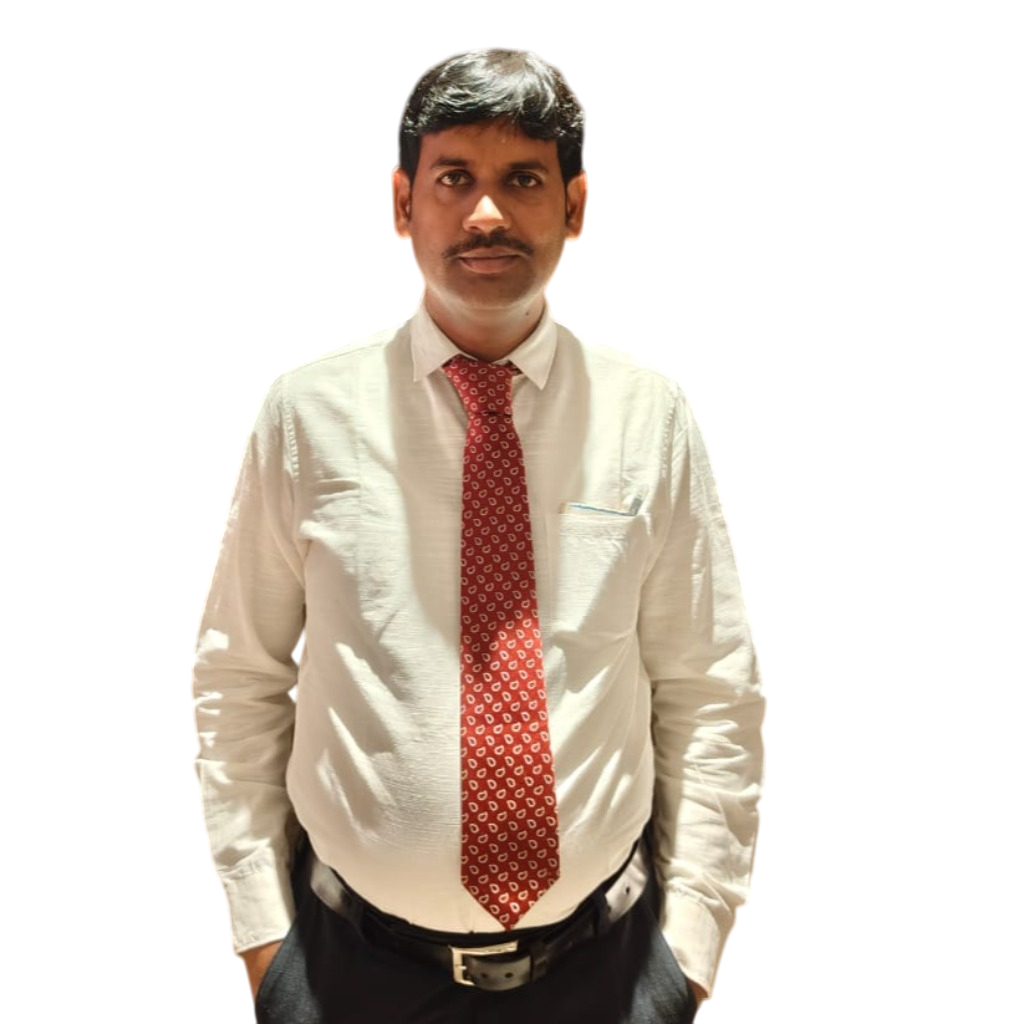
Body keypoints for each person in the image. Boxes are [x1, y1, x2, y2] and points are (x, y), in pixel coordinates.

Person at [194, 49, 764, 1024]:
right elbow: (238, 674)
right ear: (403, 202)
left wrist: (688, 957)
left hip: (608, 973)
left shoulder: (647, 416)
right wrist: (265, 946)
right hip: (343, 975)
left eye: (524, 180)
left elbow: (708, 685)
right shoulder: (307, 414)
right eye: (454, 178)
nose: (488, 212)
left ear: (574, 206)